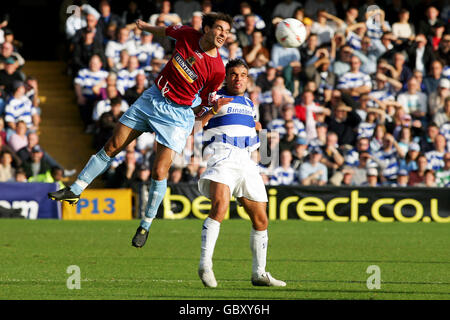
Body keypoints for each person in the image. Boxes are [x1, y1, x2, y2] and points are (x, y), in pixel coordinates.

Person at [48, 12, 234, 249]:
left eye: (226, 32)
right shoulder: (187, 34)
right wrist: (144, 26)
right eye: (219, 28)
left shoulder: (217, 69)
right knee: (112, 146)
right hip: (152, 98)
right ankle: (75, 190)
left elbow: (205, 102)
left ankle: (145, 224)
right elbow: (166, 31)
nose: (223, 35)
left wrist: (204, 114)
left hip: (177, 114)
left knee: (159, 171)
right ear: (206, 29)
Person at [196, 58, 285, 288]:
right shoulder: (213, 96)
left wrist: (261, 134)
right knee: (220, 208)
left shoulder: (248, 103)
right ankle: (205, 265)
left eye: (243, 74)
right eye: (234, 74)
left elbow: (256, 141)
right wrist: (211, 111)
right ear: (227, 77)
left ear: (247, 78)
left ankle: (259, 273)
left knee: (261, 219)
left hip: (246, 162)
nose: (238, 78)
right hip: (222, 156)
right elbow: (195, 125)